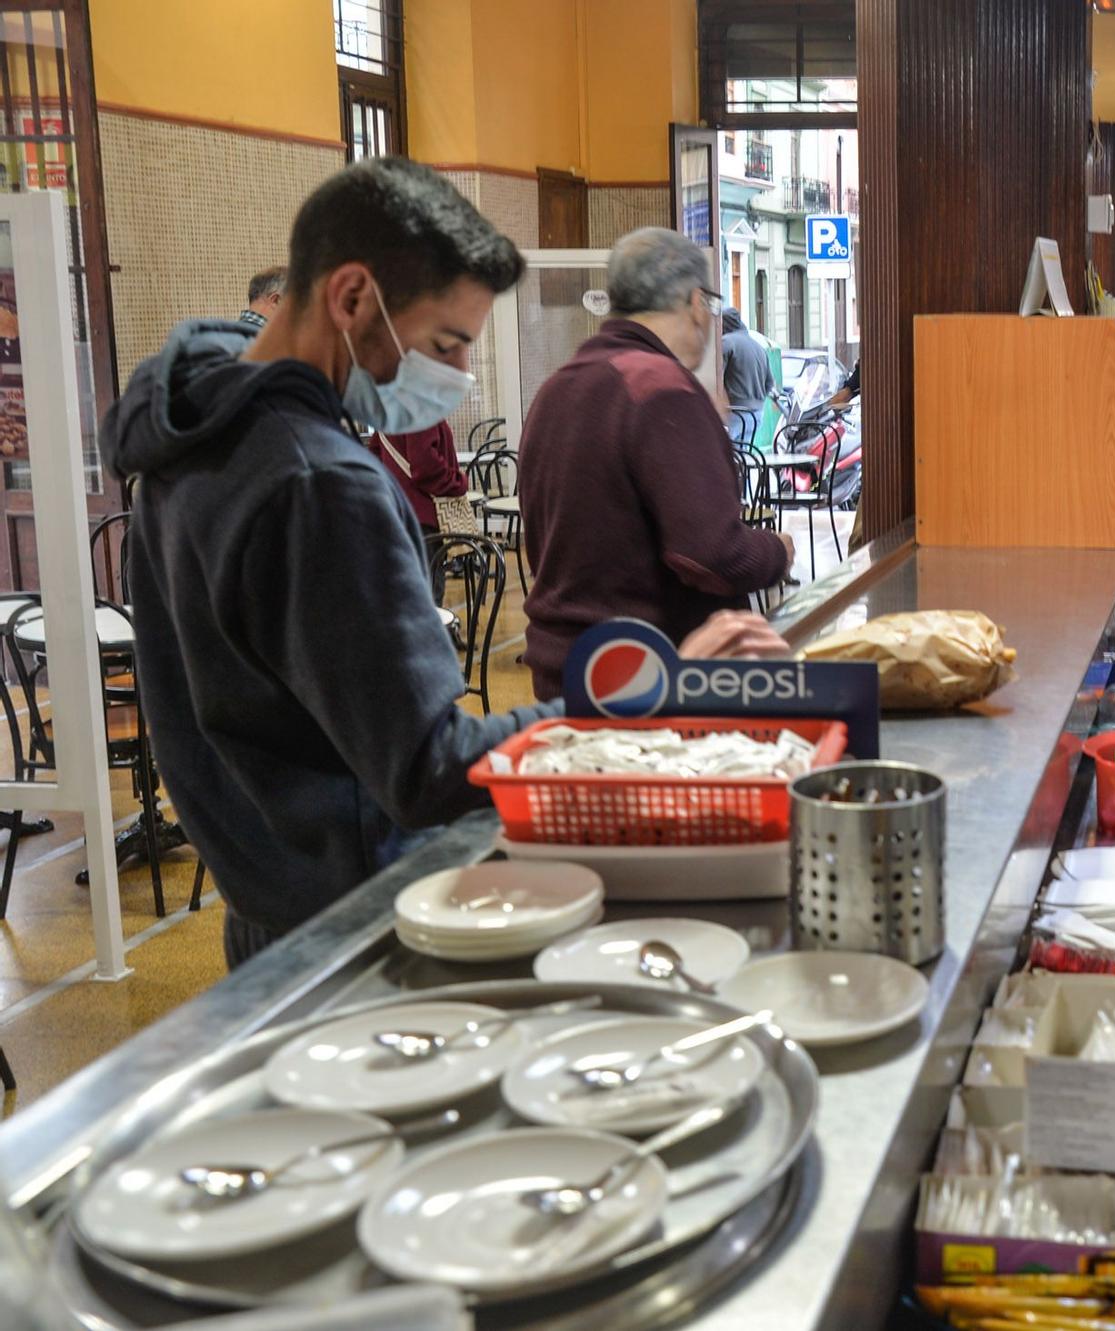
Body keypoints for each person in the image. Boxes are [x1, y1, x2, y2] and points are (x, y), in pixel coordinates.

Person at [105, 159, 787, 968]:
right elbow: (430, 767)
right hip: (360, 919)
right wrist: (648, 694)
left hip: (261, 903)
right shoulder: (321, 484)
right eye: (446, 342)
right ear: (352, 297)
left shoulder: (192, 432)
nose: (461, 377)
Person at [521, 227, 794, 701]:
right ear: (694, 302)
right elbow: (713, 555)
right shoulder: (661, 387)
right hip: (649, 682)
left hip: (563, 674)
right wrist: (778, 550)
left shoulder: (558, 387)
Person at [364, 418, 469, 534]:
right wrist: (458, 483)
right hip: (427, 515)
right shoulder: (421, 409)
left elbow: (375, 453)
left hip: (398, 511)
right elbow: (426, 467)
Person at [720, 305, 774, 443]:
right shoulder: (759, 347)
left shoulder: (726, 342)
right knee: (744, 457)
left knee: (726, 456)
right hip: (756, 414)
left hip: (735, 412)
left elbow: (716, 378)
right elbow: (769, 384)